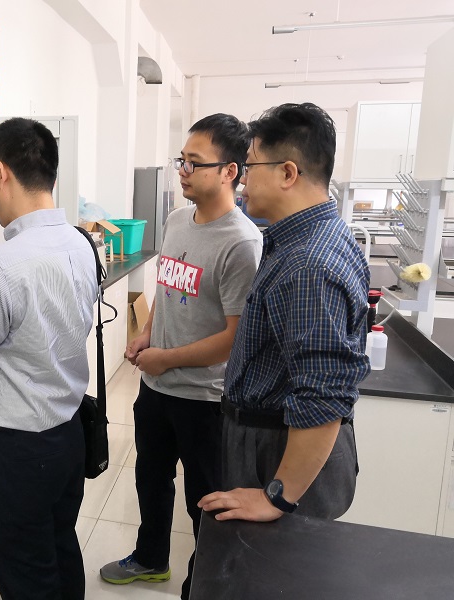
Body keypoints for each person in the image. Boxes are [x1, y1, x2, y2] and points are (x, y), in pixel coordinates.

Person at [100, 114, 263, 599]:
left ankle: (204, 583)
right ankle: (151, 559)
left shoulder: (241, 243)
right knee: (150, 480)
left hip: (204, 400)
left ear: (229, 171)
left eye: (195, 163)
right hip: (157, 389)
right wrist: (147, 334)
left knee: (204, 500)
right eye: (182, 160)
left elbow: (233, 338)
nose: (183, 171)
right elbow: (167, 289)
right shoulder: (175, 220)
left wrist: (167, 359)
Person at [0, 117, 98, 600]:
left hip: (19, 452)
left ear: (2, 172)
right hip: (69, 435)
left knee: (26, 571)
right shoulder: (80, 242)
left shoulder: (0, 265)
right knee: (59, 546)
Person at [198, 103, 370, 524]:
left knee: (275, 561)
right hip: (267, 440)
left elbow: (323, 396)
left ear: (288, 173)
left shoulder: (309, 263)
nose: (242, 180)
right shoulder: (305, 238)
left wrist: (277, 496)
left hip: (278, 451)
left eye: (250, 166)